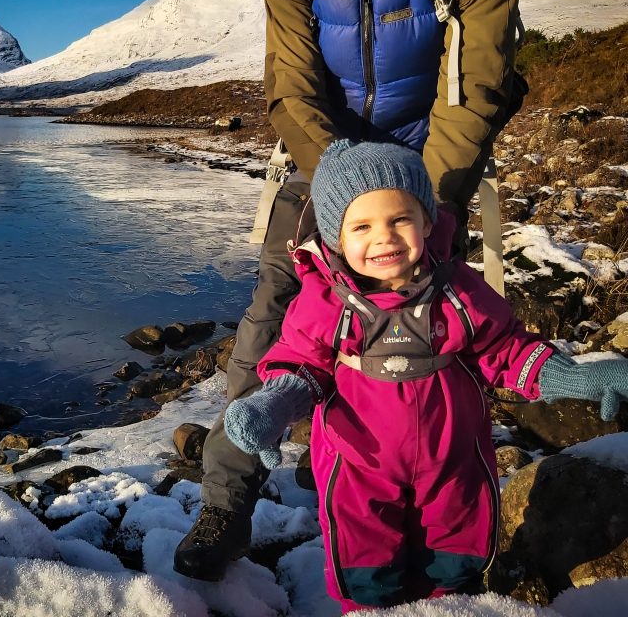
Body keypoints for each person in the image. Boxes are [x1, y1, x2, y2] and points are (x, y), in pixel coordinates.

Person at [174, 0, 525, 580]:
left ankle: (439, 521)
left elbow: (472, 88)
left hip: (431, 176)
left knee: (440, 324)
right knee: (276, 318)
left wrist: (426, 205)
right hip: (318, 167)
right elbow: (292, 88)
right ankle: (227, 504)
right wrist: (342, 188)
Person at [222, 139, 628, 612]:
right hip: (359, 466)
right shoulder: (324, 301)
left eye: (399, 219)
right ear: (336, 237)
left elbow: (504, 347)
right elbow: (302, 364)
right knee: (367, 569)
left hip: (453, 460)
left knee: (456, 562)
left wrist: (568, 376)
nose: (384, 237)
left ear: (427, 221)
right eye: (362, 226)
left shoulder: (457, 289)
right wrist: (272, 403)